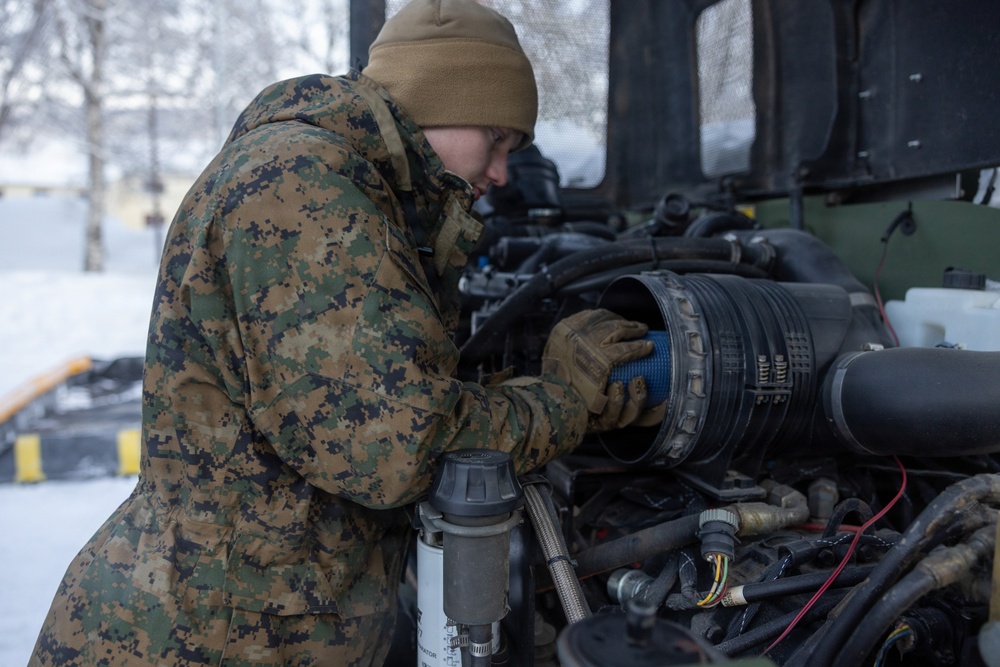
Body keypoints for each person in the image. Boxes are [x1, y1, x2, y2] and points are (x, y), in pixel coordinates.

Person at [30, 0, 660, 664]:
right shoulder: (305, 188)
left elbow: (366, 393)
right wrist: (565, 397)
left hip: (241, 616)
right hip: (203, 636)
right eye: (497, 139)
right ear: (441, 99)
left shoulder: (343, 182)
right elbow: (397, 449)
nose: (501, 173)